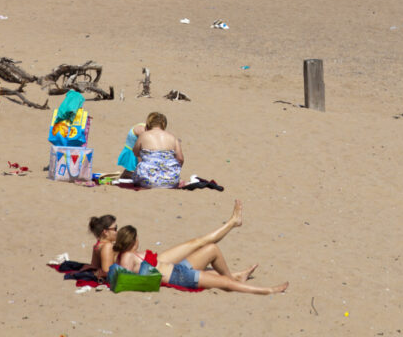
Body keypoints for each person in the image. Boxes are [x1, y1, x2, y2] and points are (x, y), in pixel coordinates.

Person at [108, 202, 287, 295]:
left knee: (211, 248)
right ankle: (266, 290)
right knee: (226, 284)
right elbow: (122, 280)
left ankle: (236, 276)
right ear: (133, 241)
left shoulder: (127, 255)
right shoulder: (127, 258)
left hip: (177, 270)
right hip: (180, 276)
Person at [132, 111, 184, 188]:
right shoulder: (173, 138)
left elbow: (135, 152)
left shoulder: (143, 136)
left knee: (136, 175)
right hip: (171, 180)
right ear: (164, 124)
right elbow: (180, 159)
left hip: (147, 179)